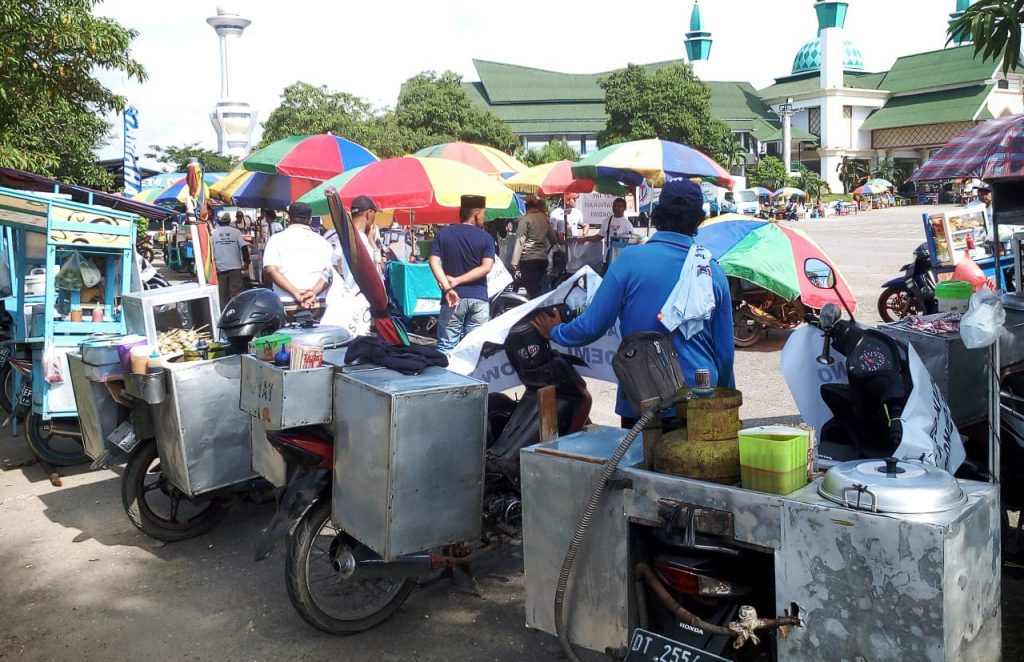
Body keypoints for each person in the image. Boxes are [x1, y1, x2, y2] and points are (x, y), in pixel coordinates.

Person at [531, 178, 735, 428]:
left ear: (658, 215)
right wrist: (724, 400)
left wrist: (555, 332)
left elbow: (592, 326)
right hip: (700, 401)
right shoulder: (711, 271)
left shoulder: (629, 261)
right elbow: (724, 356)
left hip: (641, 399)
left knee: (636, 466)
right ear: (698, 220)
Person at [428, 195, 495, 352]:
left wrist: (448, 287)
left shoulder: (443, 234)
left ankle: (446, 377)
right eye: (484, 213)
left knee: (446, 347)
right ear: (477, 213)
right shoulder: (486, 237)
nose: (483, 218)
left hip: (452, 299)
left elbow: (433, 261)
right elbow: (486, 267)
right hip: (479, 298)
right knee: (475, 349)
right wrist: (456, 281)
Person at [321, 195, 380, 336]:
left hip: (337, 303)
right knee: (356, 349)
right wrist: (372, 242)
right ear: (369, 213)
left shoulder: (338, 236)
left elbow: (331, 269)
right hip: (357, 304)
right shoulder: (362, 242)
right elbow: (378, 271)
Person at [262, 202, 334, 309]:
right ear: (309, 220)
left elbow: (271, 270)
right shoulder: (322, 241)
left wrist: (295, 292)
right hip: (316, 302)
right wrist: (312, 292)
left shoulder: (276, 240)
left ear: (289, 218)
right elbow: (330, 273)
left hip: (286, 303)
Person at [511, 195, 558, 298]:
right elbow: (553, 239)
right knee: (543, 289)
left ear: (526, 206)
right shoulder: (544, 218)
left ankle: (535, 312)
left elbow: (520, 241)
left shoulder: (525, 220)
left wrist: (514, 262)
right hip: (542, 260)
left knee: (533, 292)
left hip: (528, 260)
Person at [211, 213, 250, 309]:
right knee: (237, 294)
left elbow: (210, 252)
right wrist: (246, 261)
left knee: (222, 295)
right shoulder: (236, 232)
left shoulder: (213, 233)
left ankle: (224, 314)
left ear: (218, 221)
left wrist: (213, 266)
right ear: (229, 221)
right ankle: (237, 312)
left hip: (220, 268)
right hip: (235, 267)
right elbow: (244, 247)